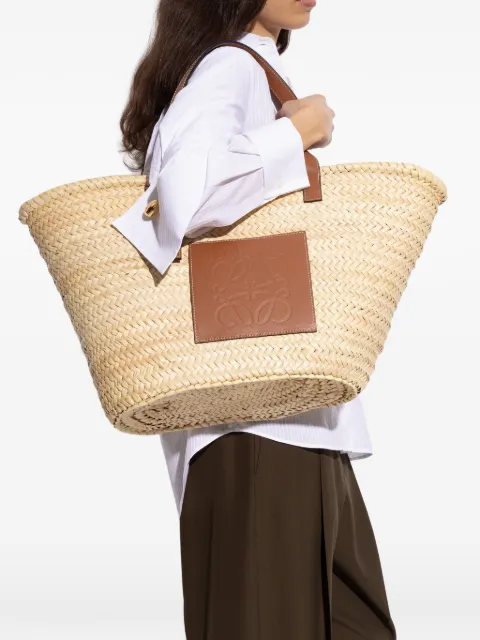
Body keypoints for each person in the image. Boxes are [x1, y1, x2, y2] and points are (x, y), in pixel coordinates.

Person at [115, 1, 397, 638]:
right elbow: (183, 202)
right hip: (253, 432)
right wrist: (294, 135)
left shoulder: (243, 68)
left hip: (302, 423)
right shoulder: (229, 67)